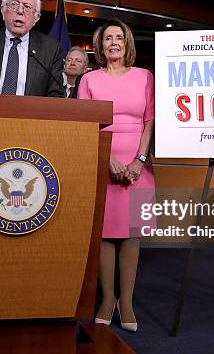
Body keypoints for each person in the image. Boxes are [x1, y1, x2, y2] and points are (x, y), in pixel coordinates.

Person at [78, 18, 155, 333]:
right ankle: (107, 299)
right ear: (100, 45)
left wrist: (139, 159)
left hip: (139, 165)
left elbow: (149, 120)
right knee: (105, 235)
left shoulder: (144, 76)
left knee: (131, 235)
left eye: (119, 38)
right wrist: (106, 158)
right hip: (102, 161)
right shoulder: (89, 80)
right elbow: (85, 124)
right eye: (108, 38)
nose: (113, 42)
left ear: (127, 44)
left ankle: (127, 302)